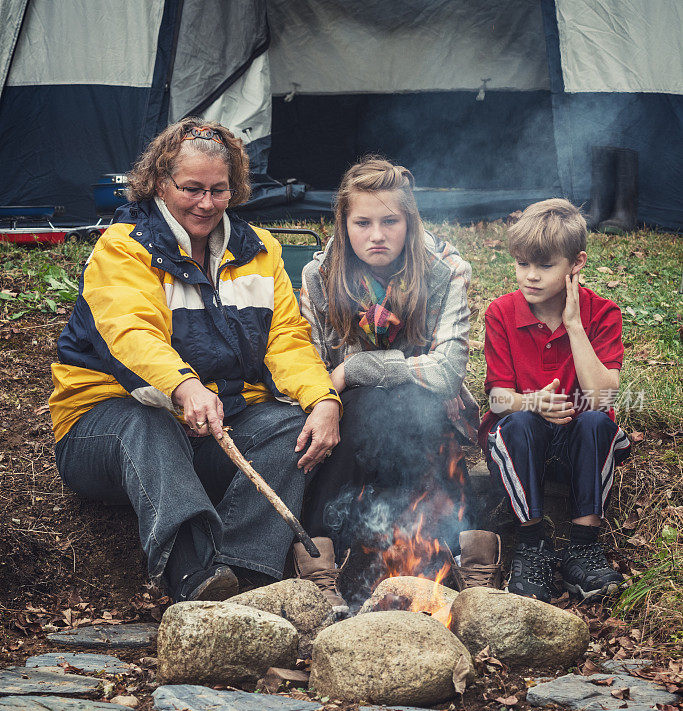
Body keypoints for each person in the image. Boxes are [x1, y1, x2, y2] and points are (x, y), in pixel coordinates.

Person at [49, 118, 342, 604]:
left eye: (219, 190)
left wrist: (323, 399)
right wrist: (184, 387)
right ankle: (193, 574)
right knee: (149, 424)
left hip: (214, 428)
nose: (205, 204)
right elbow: (130, 334)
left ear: (235, 188)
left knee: (292, 425)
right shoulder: (123, 248)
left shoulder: (260, 250)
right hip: (103, 430)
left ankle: (243, 573)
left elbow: (286, 341)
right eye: (191, 189)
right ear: (160, 184)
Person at [298, 156, 483, 602]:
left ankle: (457, 556)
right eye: (362, 222)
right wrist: (347, 380)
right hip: (351, 420)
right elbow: (314, 369)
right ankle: (321, 559)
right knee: (365, 405)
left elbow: (445, 373)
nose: (376, 235)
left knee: (409, 407)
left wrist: (357, 368)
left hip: (427, 416)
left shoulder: (445, 270)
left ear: (410, 221)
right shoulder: (320, 276)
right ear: (343, 224)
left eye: (390, 221)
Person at [480, 198, 631, 603]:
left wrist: (573, 325)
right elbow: (496, 398)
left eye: (544, 266)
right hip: (521, 441)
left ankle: (583, 545)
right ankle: (531, 546)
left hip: (579, 444)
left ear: (576, 263)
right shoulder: (501, 312)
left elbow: (602, 397)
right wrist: (532, 403)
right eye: (522, 264)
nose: (529, 277)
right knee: (519, 422)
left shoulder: (602, 313)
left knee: (597, 422)